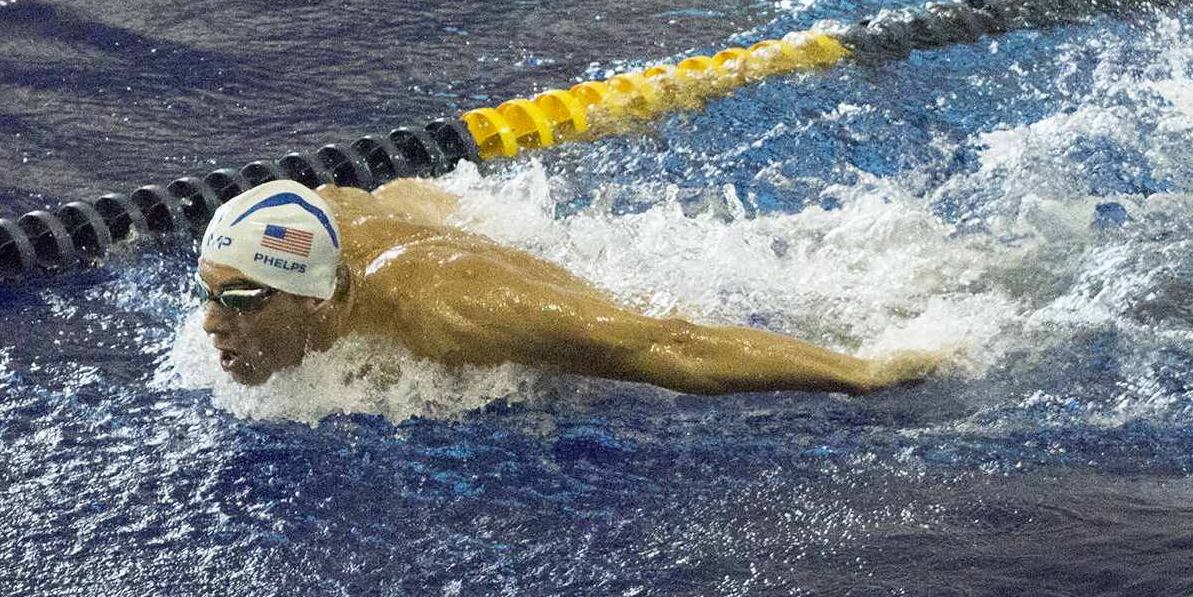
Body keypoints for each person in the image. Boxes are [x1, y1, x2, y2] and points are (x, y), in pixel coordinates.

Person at [194, 178, 939, 394]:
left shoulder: (449, 312)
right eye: (207, 291)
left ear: (315, 301)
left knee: (633, 327)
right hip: (428, 223)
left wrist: (860, 371)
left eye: (239, 301)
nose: (209, 323)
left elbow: (665, 344)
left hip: (486, 274)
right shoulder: (302, 240)